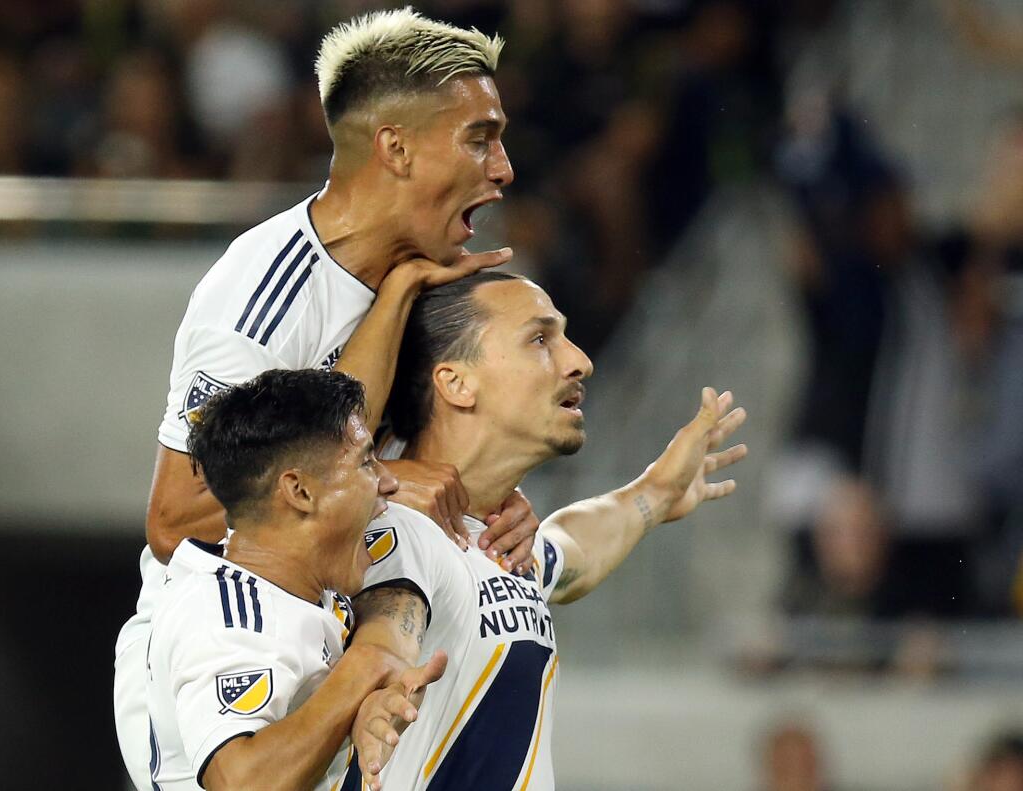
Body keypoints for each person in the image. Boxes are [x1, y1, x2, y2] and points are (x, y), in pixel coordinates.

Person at [116, 9, 539, 789]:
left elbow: (415, 466)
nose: (504, 167)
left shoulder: (415, 282)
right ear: (397, 148)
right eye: (480, 137)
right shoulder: (262, 300)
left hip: (339, 640)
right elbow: (175, 518)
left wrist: (495, 503)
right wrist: (389, 487)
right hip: (233, 663)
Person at [344, 271, 748, 789]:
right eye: (540, 339)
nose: (579, 359)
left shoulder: (499, 544)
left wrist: (653, 495)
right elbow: (379, 647)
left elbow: (570, 552)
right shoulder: (388, 535)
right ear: (456, 383)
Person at [147, 368, 446, 790]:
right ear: (299, 492)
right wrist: (363, 668)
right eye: (365, 462)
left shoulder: (300, 596)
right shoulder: (225, 616)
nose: (389, 481)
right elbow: (241, 783)